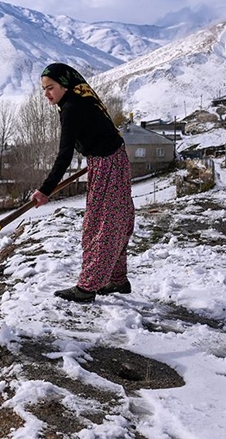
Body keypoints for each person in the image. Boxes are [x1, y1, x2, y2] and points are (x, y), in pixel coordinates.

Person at [31, 63, 135, 303]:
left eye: (50, 87)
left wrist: (45, 190)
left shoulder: (72, 108)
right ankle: (117, 280)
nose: (46, 94)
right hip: (113, 161)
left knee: (101, 226)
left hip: (108, 165)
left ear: (65, 85)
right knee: (116, 220)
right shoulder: (79, 99)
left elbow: (64, 154)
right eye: (44, 89)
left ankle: (87, 288)